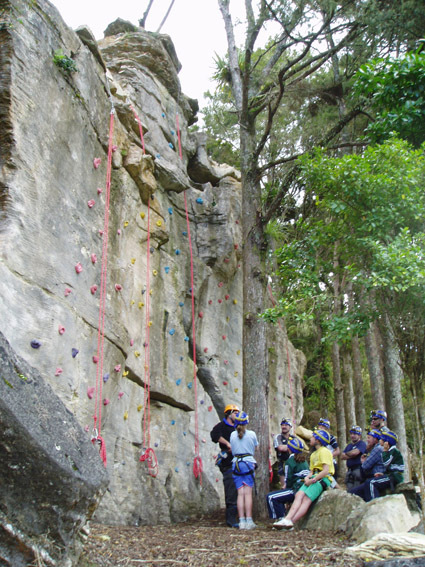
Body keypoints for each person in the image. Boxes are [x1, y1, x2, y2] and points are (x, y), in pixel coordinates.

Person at [273, 429, 335, 530]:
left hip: (322, 479)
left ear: (318, 440)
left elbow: (325, 471)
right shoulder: (314, 454)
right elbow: (311, 470)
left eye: (313, 437)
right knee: (299, 494)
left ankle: (292, 522)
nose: (310, 439)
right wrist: (307, 478)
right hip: (313, 477)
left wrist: (313, 480)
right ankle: (287, 518)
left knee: (306, 498)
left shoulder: (324, 452)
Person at [210, 404, 240, 527]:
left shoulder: (238, 427)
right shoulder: (221, 426)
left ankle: (239, 516)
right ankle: (231, 519)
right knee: (231, 489)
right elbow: (214, 435)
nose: (237, 416)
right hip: (228, 463)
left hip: (239, 461)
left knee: (239, 490)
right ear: (229, 414)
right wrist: (227, 444)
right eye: (235, 413)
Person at [266, 437, 309, 521]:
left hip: (296, 489)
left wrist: (286, 488)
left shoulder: (290, 461)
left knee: (271, 497)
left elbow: (288, 479)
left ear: (289, 449)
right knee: (280, 496)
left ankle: (279, 519)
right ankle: (283, 516)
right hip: (304, 488)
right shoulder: (304, 461)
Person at [230, 411, 258, 530]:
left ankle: (241, 521)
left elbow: (232, 449)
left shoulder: (232, 435)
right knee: (248, 493)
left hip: (235, 463)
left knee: (240, 494)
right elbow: (255, 447)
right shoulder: (251, 434)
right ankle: (249, 520)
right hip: (247, 462)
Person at [365, 430, 405, 500]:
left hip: (395, 477)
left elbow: (386, 463)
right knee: (370, 481)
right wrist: (382, 474)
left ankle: (374, 502)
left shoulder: (394, 451)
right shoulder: (390, 451)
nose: (380, 441)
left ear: (387, 442)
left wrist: (385, 451)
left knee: (371, 483)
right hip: (391, 475)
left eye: (382, 439)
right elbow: (389, 467)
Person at [348, 429, 385, 502]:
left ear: (375, 439)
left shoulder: (378, 449)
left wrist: (363, 462)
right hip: (370, 477)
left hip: (374, 478)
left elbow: (365, 466)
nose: (367, 440)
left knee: (352, 493)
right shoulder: (374, 449)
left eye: (369, 438)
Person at [341, 426, 367, 490]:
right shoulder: (349, 446)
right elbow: (342, 456)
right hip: (349, 470)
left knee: (357, 489)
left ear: (359, 435)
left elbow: (355, 453)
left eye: (355, 434)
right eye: (351, 434)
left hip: (358, 469)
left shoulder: (362, 444)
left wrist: (349, 454)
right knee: (349, 489)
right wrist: (351, 454)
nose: (352, 436)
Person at [273, 418, 294, 486]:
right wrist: (292, 447)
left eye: (286, 425)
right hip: (282, 463)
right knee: (284, 485)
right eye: (282, 425)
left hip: (293, 463)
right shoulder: (278, 437)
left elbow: (299, 448)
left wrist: (287, 447)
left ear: (290, 427)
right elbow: (280, 448)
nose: (284, 427)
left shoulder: (293, 438)